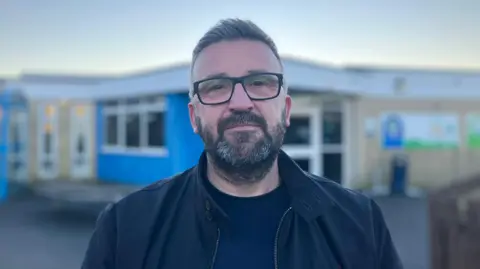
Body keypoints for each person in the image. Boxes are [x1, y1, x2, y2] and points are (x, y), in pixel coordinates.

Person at [82, 18, 403, 269]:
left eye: (259, 82)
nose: (240, 102)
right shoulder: (126, 228)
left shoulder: (358, 223)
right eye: (217, 86)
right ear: (194, 117)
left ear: (286, 110)